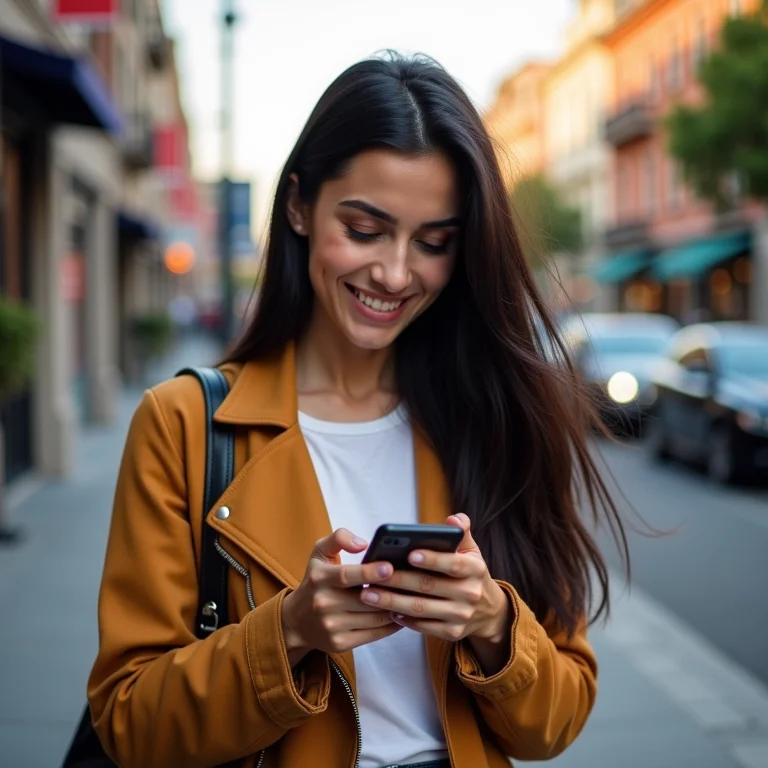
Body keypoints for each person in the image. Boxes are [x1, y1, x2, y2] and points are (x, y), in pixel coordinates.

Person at [88, 53, 628, 768]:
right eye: (366, 229)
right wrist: (289, 629)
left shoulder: (497, 416)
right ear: (298, 206)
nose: (397, 273)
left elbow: (553, 726)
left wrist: (494, 622)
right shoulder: (184, 423)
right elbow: (131, 722)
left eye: (433, 243)